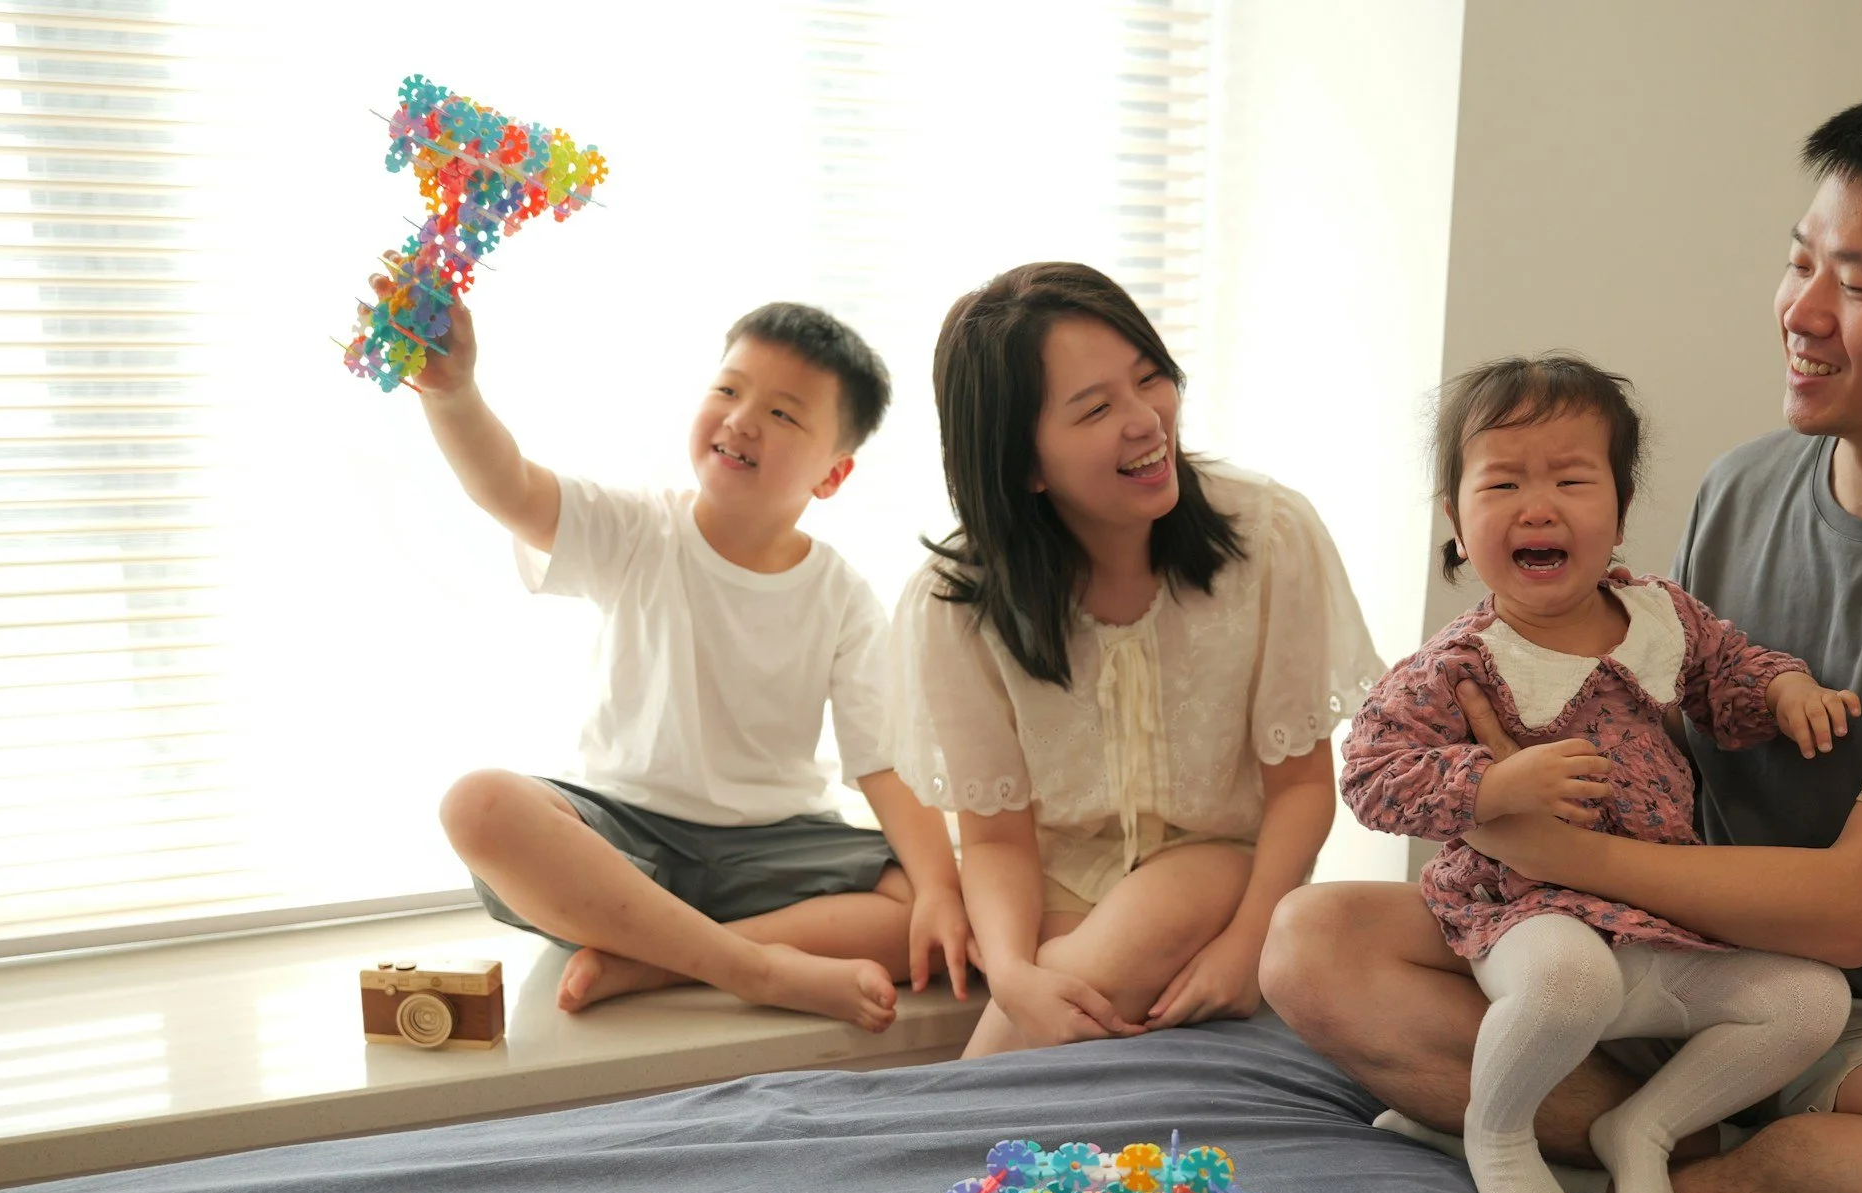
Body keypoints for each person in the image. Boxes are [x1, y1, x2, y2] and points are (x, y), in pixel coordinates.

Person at [1264, 84, 1862, 1193]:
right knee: (1312, 942)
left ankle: (1628, 1150)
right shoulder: (1750, 483)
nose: (1804, 311)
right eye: (1800, 264)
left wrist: (1566, 853)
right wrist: (1501, 786)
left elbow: (1853, 909)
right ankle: (1656, 1146)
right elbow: (1645, 721)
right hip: (1646, 944)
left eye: (1859, 285)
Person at [1341, 353, 1856, 1193]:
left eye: (1572, 480)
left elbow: (1731, 668)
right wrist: (1495, 780)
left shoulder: (1660, 614)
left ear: (1617, 513)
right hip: (1525, 912)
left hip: (1658, 920)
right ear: (1457, 522)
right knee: (1571, 983)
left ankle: (1643, 1129)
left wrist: (1785, 689)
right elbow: (1369, 773)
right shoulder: (1461, 661)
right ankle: (1495, 1127)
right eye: (1502, 483)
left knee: (1812, 1001)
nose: (1537, 506)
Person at [412, 291, 972, 1032]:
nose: (742, 419)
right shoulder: (642, 530)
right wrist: (454, 396)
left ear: (831, 475)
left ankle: (655, 959)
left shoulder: (841, 595)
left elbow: (882, 761)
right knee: (478, 805)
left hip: (775, 850)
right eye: (729, 390)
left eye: (784, 413)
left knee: (923, 903)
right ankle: (756, 968)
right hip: (625, 840)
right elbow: (511, 489)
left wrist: (938, 886)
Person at [890, 262, 1382, 1055]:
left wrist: (1249, 945)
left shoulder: (1270, 534)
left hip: (1225, 878)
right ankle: (985, 1148)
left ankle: (959, 1130)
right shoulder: (956, 603)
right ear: (1025, 464)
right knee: (1072, 1036)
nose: (1146, 421)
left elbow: (1298, 787)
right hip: (1054, 899)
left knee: (1151, 917)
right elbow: (995, 840)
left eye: (1151, 378)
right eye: (1094, 409)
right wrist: (1015, 973)